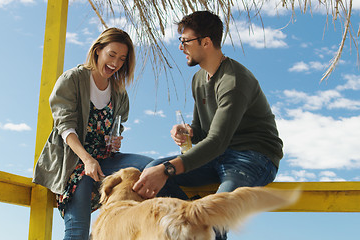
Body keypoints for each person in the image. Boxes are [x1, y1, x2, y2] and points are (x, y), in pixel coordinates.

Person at [132, 11, 283, 240]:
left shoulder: (234, 81)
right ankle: (192, 219)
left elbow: (217, 141)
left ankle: (200, 222)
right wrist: (189, 132)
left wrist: (168, 169)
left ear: (206, 42)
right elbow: (203, 132)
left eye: (185, 41)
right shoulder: (199, 79)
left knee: (213, 217)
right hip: (218, 155)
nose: (181, 47)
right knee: (151, 169)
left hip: (254, 157)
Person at [33, 28, 153, 240]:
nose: (115, 63)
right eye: (112, 54)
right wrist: (87, 160)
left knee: (152, 167)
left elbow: (117, 125)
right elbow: (65, 126)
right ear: (98, 50)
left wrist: (114, 140)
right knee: (77, 233)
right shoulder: (73, 79)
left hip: (105, 160)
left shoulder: (118, 92)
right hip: (75, 164)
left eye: (122, 58)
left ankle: (189, 211)